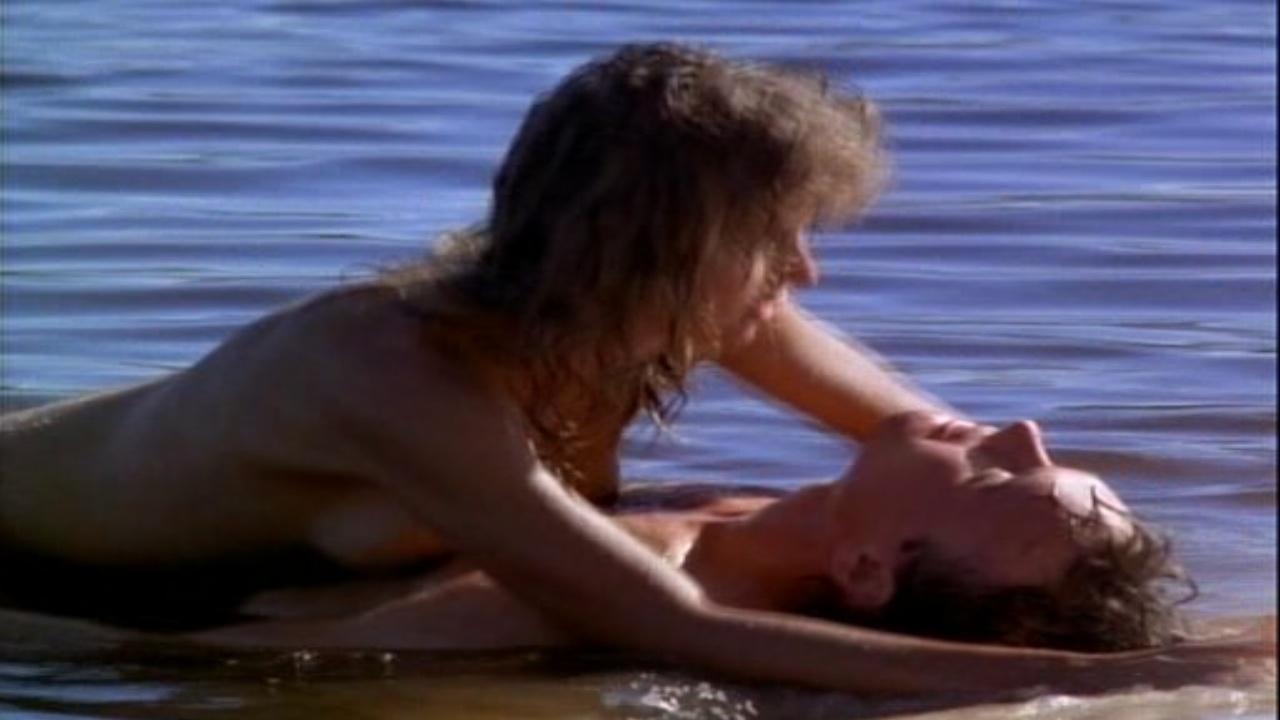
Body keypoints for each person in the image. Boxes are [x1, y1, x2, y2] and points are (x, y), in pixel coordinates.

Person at [0, 42, 1266, 696]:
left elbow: (948, 470)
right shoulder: (391, 371)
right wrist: (1103, 680)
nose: (802, 274)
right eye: (776, 240)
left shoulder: (685, 307)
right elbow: (670, 626)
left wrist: (1153, 623)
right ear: (656, 250)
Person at [194, 412, 1191, 655]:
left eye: (1000, 476)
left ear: (863, 570)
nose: (1021, 430)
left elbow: (261, 643)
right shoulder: (769, 520)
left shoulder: (618, 583)